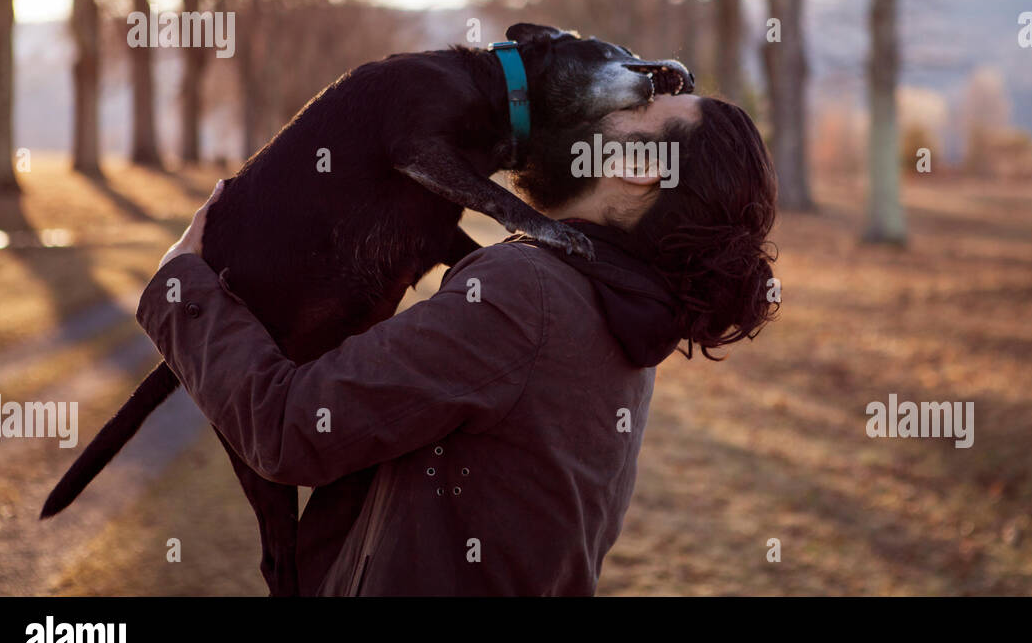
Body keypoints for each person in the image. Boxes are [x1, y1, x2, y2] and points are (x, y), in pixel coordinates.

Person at [140, 93, 778, 595]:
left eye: (636, 111)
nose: (606, 106)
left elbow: (288, 426)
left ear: (638, 170)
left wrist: (182, 287)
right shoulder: (627, 311)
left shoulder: (527, 292)